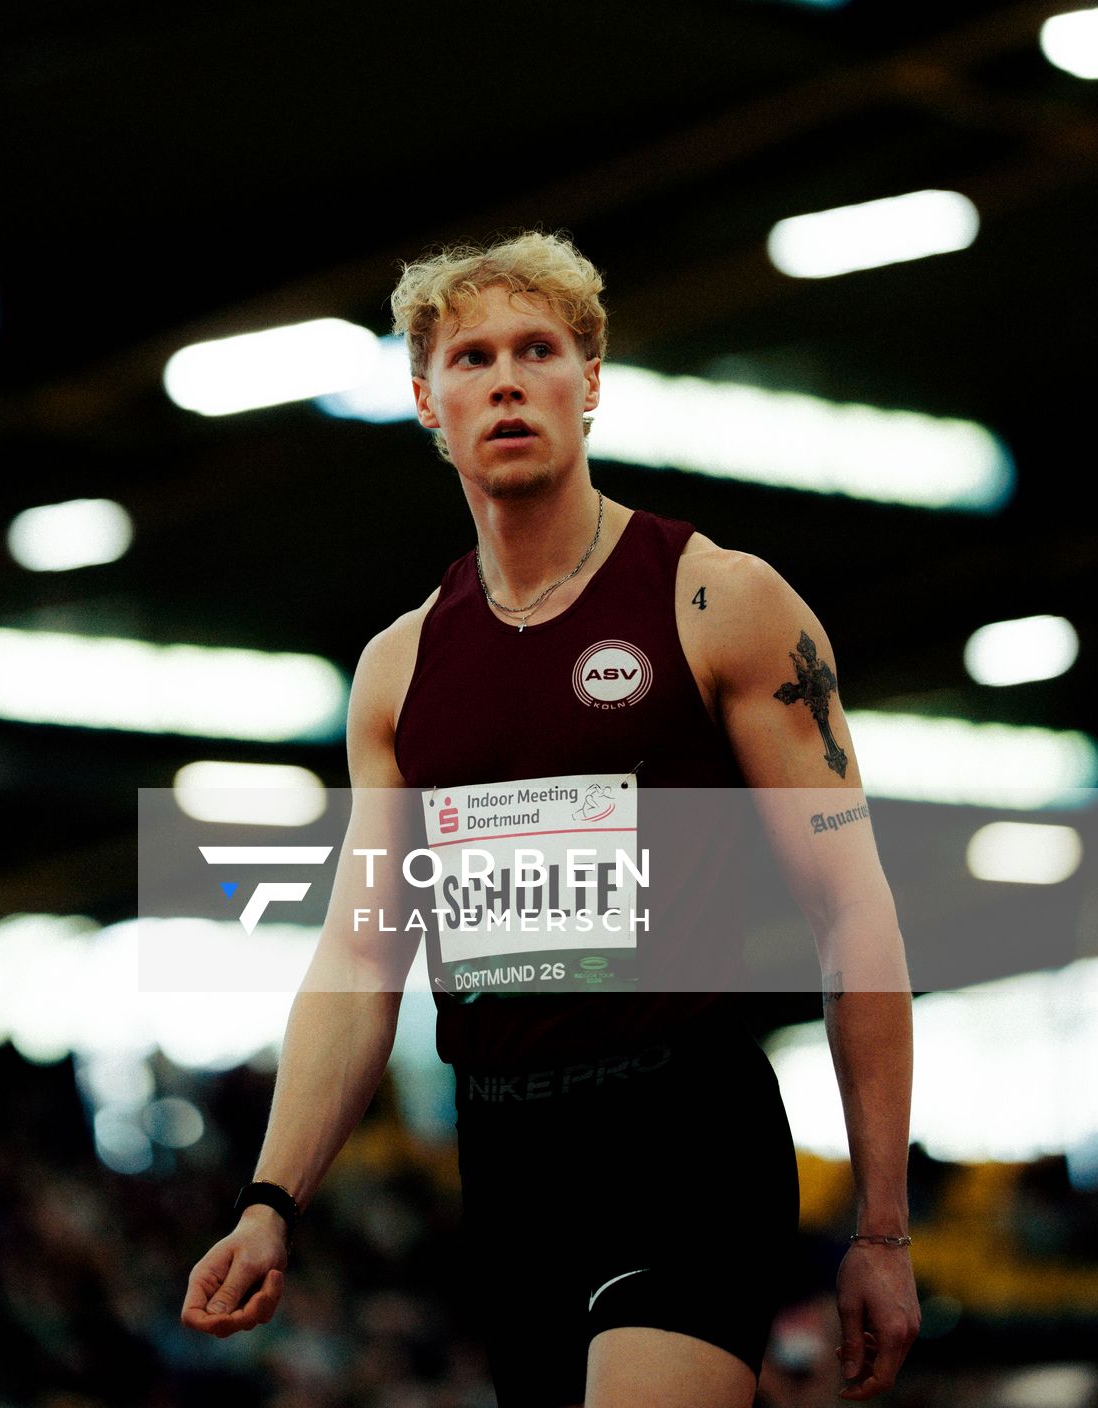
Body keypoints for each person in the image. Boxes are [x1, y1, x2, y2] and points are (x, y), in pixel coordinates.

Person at [182, 231, 921, 1408]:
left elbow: (852, 908)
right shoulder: (398, 670)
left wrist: (880, 1228)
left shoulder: (716, 601)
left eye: (539, 349)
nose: (509, 378)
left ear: (591, 382)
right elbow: (363, 957)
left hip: (683, 1131)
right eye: (472, 357)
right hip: (509, 1162)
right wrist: (270, 1201)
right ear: (426, 400)